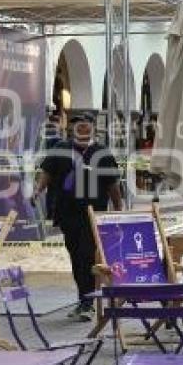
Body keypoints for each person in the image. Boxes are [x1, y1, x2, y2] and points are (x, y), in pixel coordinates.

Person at [33, 113, 122, 321]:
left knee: (87, 255)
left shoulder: (102, 153)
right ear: (72, 129)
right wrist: (38, 190)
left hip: (93, 214)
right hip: (67, 213)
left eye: (85, 126)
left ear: (92, 128)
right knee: (75, 256)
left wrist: (118, 209)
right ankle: (84, 298)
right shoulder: (60, 150)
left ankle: (88, 301)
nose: (81, 129)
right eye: (77, 126)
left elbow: (113, 184)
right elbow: (46, 172)